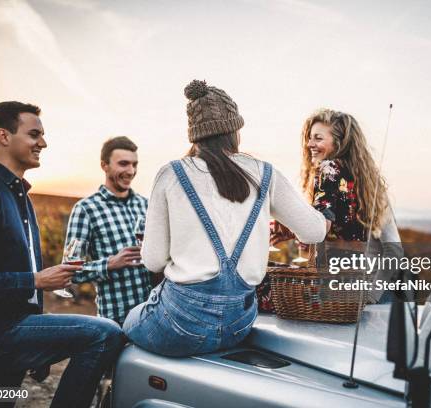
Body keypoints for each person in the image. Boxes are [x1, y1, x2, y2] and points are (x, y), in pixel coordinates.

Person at [122, 80, 329, 357]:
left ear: (195, 136)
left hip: (179, 325)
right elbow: (314, 232)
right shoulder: (264, 173)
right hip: (238, 325)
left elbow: (153, 261)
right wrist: (327, 214)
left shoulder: (172, 174)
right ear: (235, 131)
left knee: (128, 322)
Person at [0, 101, 124, 408]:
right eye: (34, 134)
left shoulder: (20, 198)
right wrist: (35, 279)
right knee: (105, 334)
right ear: (4, 136)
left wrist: (41, 335)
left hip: (14, 328)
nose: (43, 143)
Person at [272, 108, 401, 301]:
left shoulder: (363, 186)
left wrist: (372, 295)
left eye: (318, 138)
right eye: (309, 138)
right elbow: (322, 235)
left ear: (339, 143)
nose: (310, 144)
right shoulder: (333, 184)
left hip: (373, 298)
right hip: (339, 295)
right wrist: (290, 231)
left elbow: (394, 250)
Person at [65, 136, 151, 326]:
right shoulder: (86, 209)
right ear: (104, 165)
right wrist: (110, 263)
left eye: (134, 164)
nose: (131, 171)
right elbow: (70, 270)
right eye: (123, 164)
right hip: (117, 320)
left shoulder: (147, 205)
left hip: (154, 314)